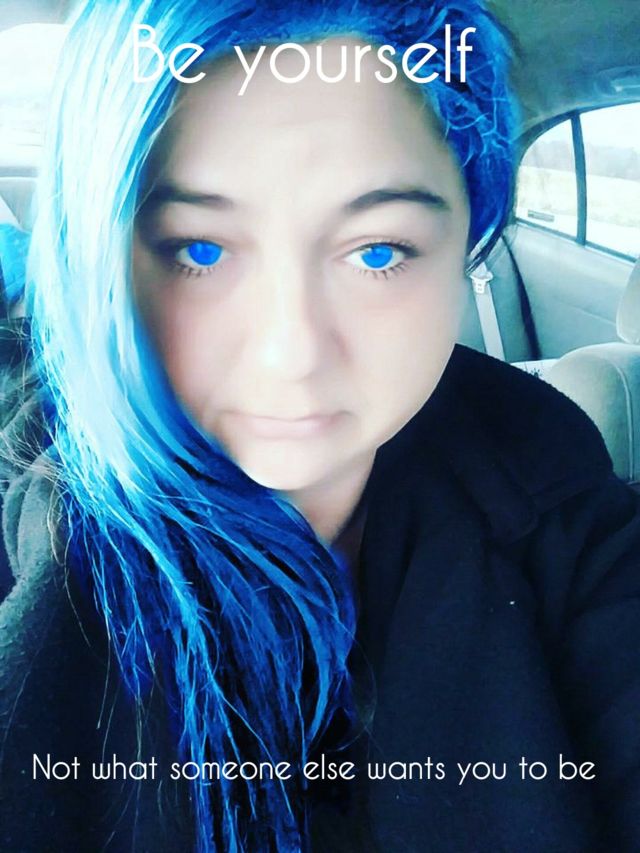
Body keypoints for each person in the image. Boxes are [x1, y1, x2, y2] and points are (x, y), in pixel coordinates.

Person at [0, 0, 639, 851]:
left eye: (377, 252)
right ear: (100, 255)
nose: (291, 353)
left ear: (466, 245)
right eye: (199, 249)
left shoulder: (570, 527)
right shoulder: (38, 547)